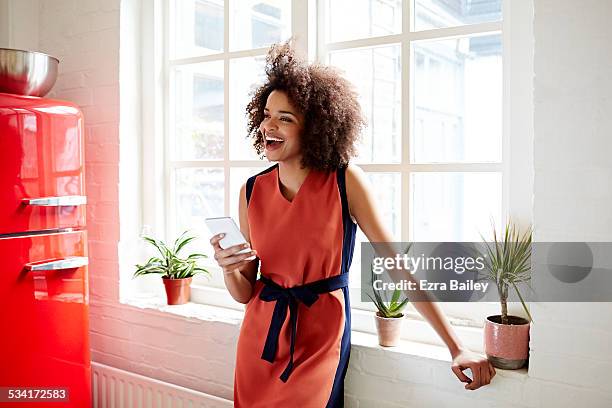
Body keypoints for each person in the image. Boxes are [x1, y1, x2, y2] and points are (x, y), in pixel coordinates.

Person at [209, 41, 495, 408]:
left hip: (320, 336)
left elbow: (397, 266)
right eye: (267, 113)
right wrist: (228, 269)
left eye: (286, 118)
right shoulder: (251, 190)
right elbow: (244, 293)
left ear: (314, 128)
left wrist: (456, 346)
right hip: (260, 339)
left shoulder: (345, 181)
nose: (270, 125)